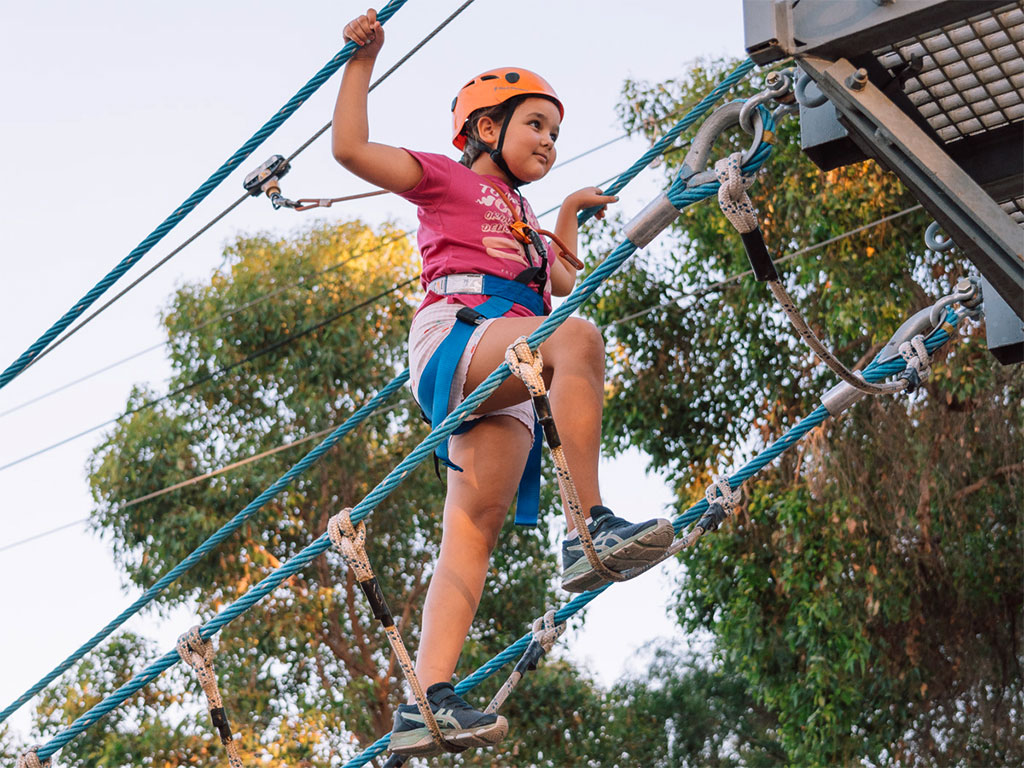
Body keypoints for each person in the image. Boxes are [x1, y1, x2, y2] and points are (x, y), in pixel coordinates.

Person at [332, 9, 674, 758]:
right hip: (459, 336)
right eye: (536, 125)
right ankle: (589, 528)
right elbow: (350, 148)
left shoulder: (524, 215)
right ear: (487, 129)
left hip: (511, 362)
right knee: (578, 339)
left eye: (555, 132)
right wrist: (362, 61)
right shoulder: (446, 178)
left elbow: (561, 280)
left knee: (474, 529)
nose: (549, 142)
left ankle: (428, 697)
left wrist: (568, 214)